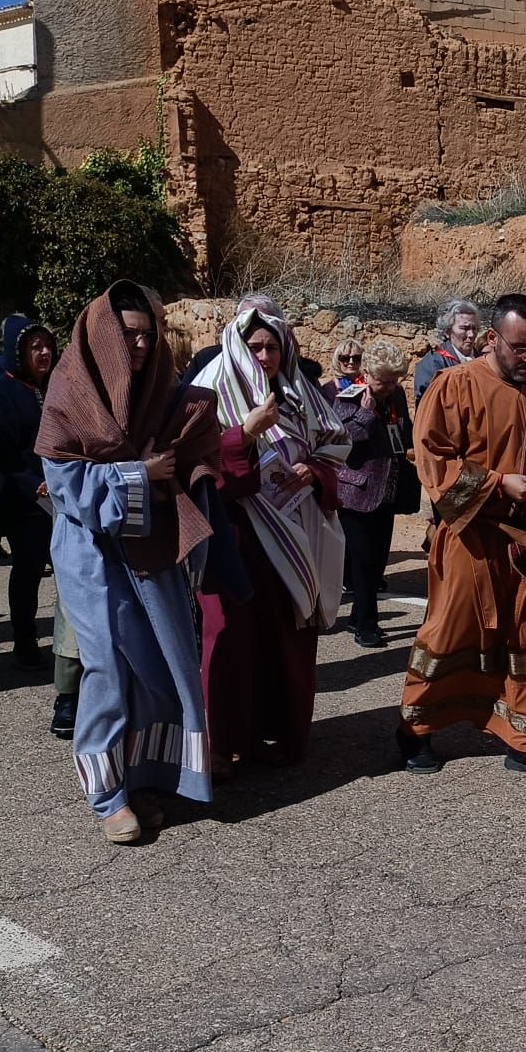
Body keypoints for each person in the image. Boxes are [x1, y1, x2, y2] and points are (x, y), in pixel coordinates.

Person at [37, 281, 223, 845]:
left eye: (147, 335)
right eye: (127, 336)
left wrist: (189, 467)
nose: (139, 346)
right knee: (109, 670)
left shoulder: (165, 396)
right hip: (92, 556)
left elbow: (189, 458)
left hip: (153, 553)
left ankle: (145, 776)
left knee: (158, 667)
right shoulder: (69, 397)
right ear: (101, 337)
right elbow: (66, 486)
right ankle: (105, 793)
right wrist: (140, 474)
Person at [399, 294, 526, 777]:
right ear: (493, 339)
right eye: (519, 348)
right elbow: (432, 460)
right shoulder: (453, 385)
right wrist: (496, 483)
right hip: (471, 537)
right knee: (450, 633)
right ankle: (416, 729)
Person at [192, 301, 350, 772]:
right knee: (230, 639)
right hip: (235, 536)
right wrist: (244, 433)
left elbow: (335, 445)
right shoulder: (209, 388)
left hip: (294, 533)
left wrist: (313, 471)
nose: (263, 356)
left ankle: (283, 733)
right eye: (254, 346)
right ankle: (222, 744)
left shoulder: (300, 391)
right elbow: (194, 460)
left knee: (287, 636)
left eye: (272, 347)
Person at [0, 315, 59, 669]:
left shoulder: (54, 386)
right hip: (23, 497)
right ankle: (25, 641)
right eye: (34, 347)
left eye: (47, 346)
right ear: (17, 352)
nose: (43, 353)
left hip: (60, 492)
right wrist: (32, 483)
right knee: (28, 568)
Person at [332, 339, 413, 650]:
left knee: (377, 561)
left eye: (394, 380)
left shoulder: (398, 396)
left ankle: (357, 615)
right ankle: (367, 624)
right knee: (362, 559)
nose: (389, 387)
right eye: (383, 381)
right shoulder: (348, 397)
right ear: (367, 374)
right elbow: (341, 438)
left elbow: (403, 432)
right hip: (355, 491)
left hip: (387, 490)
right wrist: (366, 415)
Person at [414, 298, 482, 401]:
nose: (471, 335)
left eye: (474, 328)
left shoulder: (482, 359)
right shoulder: (433, 364)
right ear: (447, 331)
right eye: (464, 328)